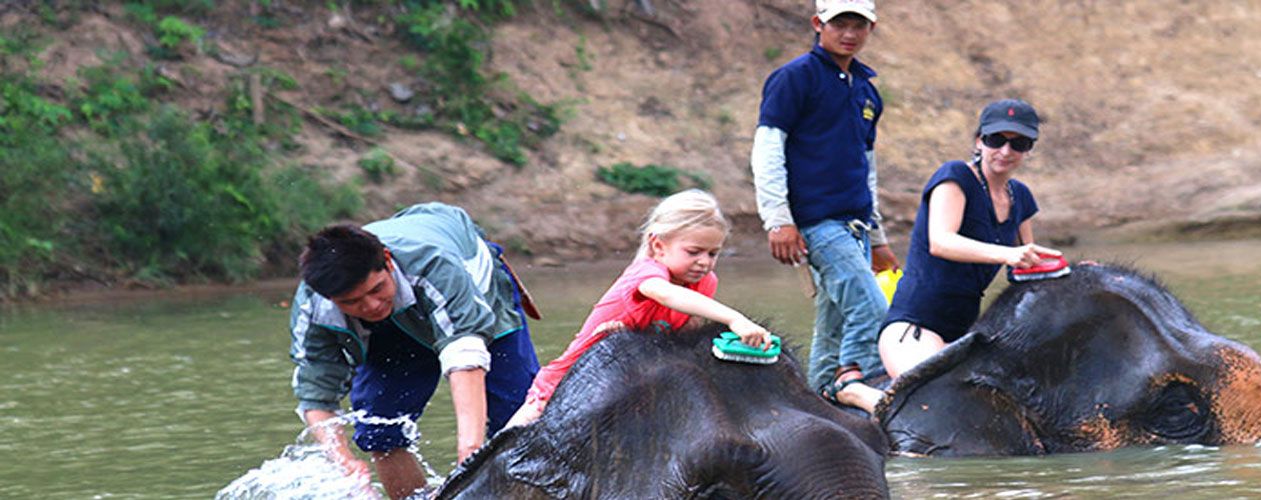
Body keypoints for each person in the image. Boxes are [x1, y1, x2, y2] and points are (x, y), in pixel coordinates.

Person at [289, 202, 542, 499]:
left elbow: (466, 357)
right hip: (393, 330)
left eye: (375, 289)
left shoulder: (436, 266)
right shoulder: (312, 306)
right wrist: (344, 462)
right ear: (328, 298)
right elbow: (316, 394)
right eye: (351, 302)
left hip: (474, 301)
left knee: (516, 426)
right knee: (379, 430)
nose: (370, 305)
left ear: (387, 260)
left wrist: (469, 456)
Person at [841, 98, 1063, 414]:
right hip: (914, 325)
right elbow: (941, 242)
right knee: (934, 407)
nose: (1005, 151)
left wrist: (1071, 272)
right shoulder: (955, 176)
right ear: (979, 140)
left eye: (1019, 143)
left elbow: (1024, 268)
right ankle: (852, 391)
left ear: (1029, 149)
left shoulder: (1021, 197)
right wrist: (1009, 254)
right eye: (996, 139)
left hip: (965, 333)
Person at [507, 189, 771, 426]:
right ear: (658, 245)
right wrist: (735, 319)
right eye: (693, 252)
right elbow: (665, 295)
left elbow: (684, 335)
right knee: (512, 445)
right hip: (567, 383)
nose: (704, 262)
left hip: (628, 384)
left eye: (713, 253)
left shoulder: (704, 283)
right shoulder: (646, 273)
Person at [752, 0, 899, 409]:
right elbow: (767, 150)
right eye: (840, 23)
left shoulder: (866, 90)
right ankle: (864, 395)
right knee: (872, 310)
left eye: (859, 25)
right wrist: (778, 220)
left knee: (834, 324)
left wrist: (878, 236)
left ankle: (817, 403)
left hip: (855, 224)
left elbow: (865, 167)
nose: (849, 33)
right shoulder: (794, 78)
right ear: (819, 24)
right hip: (816, 220)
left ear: (870, 29)